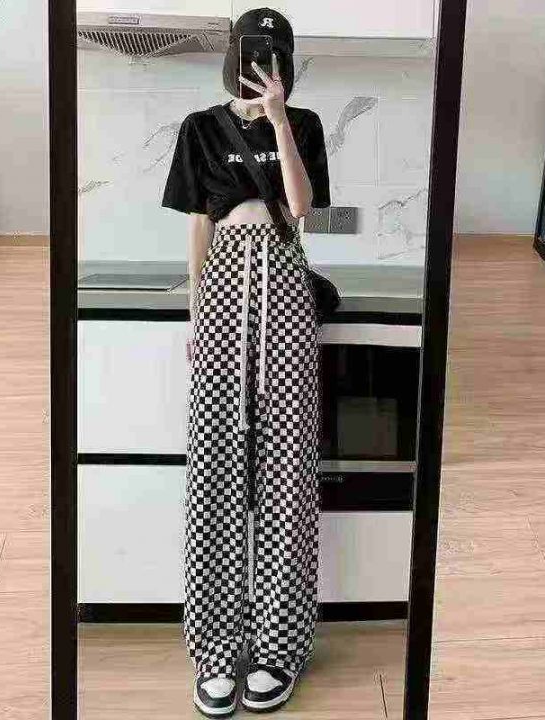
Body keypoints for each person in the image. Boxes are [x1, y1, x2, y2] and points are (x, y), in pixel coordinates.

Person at [161, 7, 330, 716]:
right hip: (225, 285)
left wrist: (280, 119)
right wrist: (198, 313)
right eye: (253, 53)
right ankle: (216, 646)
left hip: (285, 282)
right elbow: (200, 225)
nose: (263, 64)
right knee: (216, 466)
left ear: (288, 60)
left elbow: (302, 208)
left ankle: (280, 646)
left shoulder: (307, 124)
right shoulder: (199, 128)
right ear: (231, 56)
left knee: (289, 466)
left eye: (275, 54)